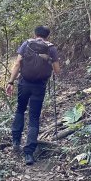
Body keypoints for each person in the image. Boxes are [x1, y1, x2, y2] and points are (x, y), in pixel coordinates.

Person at [6, 26, 60, 165]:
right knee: (34, 118)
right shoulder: (51, 48)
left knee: (20, 110)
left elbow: (18, 63)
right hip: (39, 86)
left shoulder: (27, 44)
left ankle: (16, 141)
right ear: (47, 36)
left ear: (35, 34)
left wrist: (11, 82)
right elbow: (57, 70)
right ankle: (29, 153)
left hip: (24, 84)